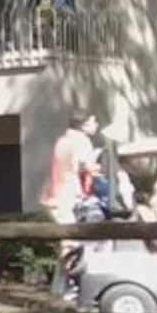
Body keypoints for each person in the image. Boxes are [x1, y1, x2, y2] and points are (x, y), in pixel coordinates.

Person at [41, 113, 103, 297]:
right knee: (72, 243)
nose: (96, 125)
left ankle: (60, 289)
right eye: (93, 121)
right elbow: (88, 167)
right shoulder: (81, 140)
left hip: (57, 195)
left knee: (68, 242)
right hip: (65, 196)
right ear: (83, 125)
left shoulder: (65, 139)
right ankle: (69, 287)